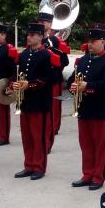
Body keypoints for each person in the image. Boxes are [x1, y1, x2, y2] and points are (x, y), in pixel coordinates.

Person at [68, 27, 105, 190]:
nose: (90, 45)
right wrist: (73, 86)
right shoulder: (83, 60)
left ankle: (98, 177)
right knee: (85, 144)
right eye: (89, 42)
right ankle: (87, 174)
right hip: (84, 108)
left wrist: (88, 86)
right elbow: (71, 79)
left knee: (100, 145)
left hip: (101, 110)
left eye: (94, 42)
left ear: (103, 42)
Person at [12, 23, 59, 180]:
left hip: (40, 101)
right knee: (27, 136)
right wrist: (13, 84)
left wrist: (30, 84)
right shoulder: (24, 54)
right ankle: (28, 165)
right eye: (28, 35)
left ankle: (39, 167)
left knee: (38, 136)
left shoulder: (47, 55)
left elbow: (51, 78)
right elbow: (17, 74)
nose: (29, 37)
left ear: (40, 36)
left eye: (32, 35)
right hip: (25, 101)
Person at [37, 12, 70, 151]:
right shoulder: (34, 39)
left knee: (52, 110)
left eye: (45, 22)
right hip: (38, 81)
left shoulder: (55, 41)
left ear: (50, 24)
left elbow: (64, 61)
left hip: (53, 80)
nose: (42, 24)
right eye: (40, 22)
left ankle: (50, 138)